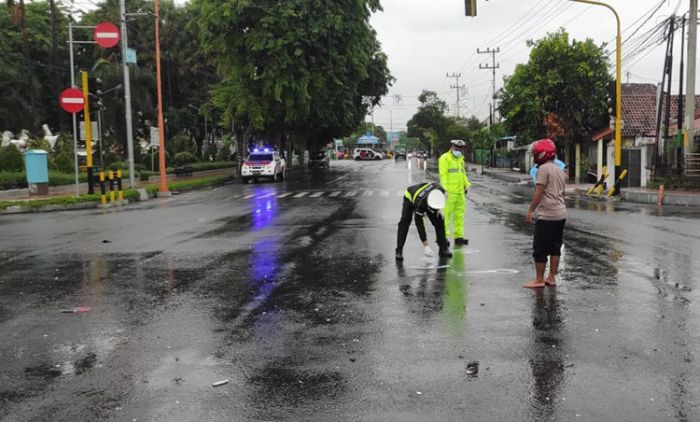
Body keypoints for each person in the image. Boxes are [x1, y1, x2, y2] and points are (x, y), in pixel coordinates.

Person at [524, 138, 567, 289]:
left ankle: (539, 279)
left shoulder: (543, 169)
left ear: (542, 154)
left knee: (540, 248)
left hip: (547, 215)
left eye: (536, 153)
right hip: (561, 214)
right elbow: (562, 192)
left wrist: (531, 210)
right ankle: (551, 277)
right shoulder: (560, 170)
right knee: (555, 247)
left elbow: (539, 191)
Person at [395, 182, 452, 261]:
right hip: (410, 198)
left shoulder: (440, 189)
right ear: (428, 205)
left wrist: (440, 210)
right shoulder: (419, 204)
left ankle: (443, 248)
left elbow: (445, 198)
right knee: (405, 222)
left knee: (439, 220)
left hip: (428, 194)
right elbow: (419, 224)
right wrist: (426, 246)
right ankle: (399, 250)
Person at [439, 139, 472, 245]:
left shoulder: (460, 159)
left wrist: (467, 185)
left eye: (460, 149)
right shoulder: (445, 158)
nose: (458, 150)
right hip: (450, 193)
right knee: (446, 216)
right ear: (451, 147)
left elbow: (462, 173)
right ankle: (443, 238)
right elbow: (443, 175)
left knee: (459, 216)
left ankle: (459, 237)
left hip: (460, 193)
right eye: (456, 148)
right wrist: (445, 189)